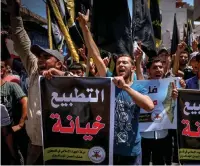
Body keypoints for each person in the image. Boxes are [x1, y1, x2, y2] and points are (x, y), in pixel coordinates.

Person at [77, 10, 154, 165]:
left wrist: (126, 88)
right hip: (109, 149)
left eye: (125, 62)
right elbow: (95, 54)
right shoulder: (109, 80)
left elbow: (149, 106)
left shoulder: (139, 86)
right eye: (119, 63)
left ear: (132, 68)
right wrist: (84, 27)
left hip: (131, 151)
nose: (121, 65)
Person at [8, 0, 69, 164]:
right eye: (39, 57)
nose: (40, 60)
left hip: (59, 145)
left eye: (46, 57)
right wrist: (15, 15)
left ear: (58, 63)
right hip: (34, 144)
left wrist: (63, 76)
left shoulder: (67, 79)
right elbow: (22, 42)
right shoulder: (35, 71)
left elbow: (83, 87)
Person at [139, 57, 178, 165]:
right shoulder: (142, 87)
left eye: (161, 67)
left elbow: (173, 108)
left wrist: (175, 98)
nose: (158, 70)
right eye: (154, 68)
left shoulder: (171, 86)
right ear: (149, 71)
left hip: (163, 135)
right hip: (144, 135)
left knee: (160, 162)